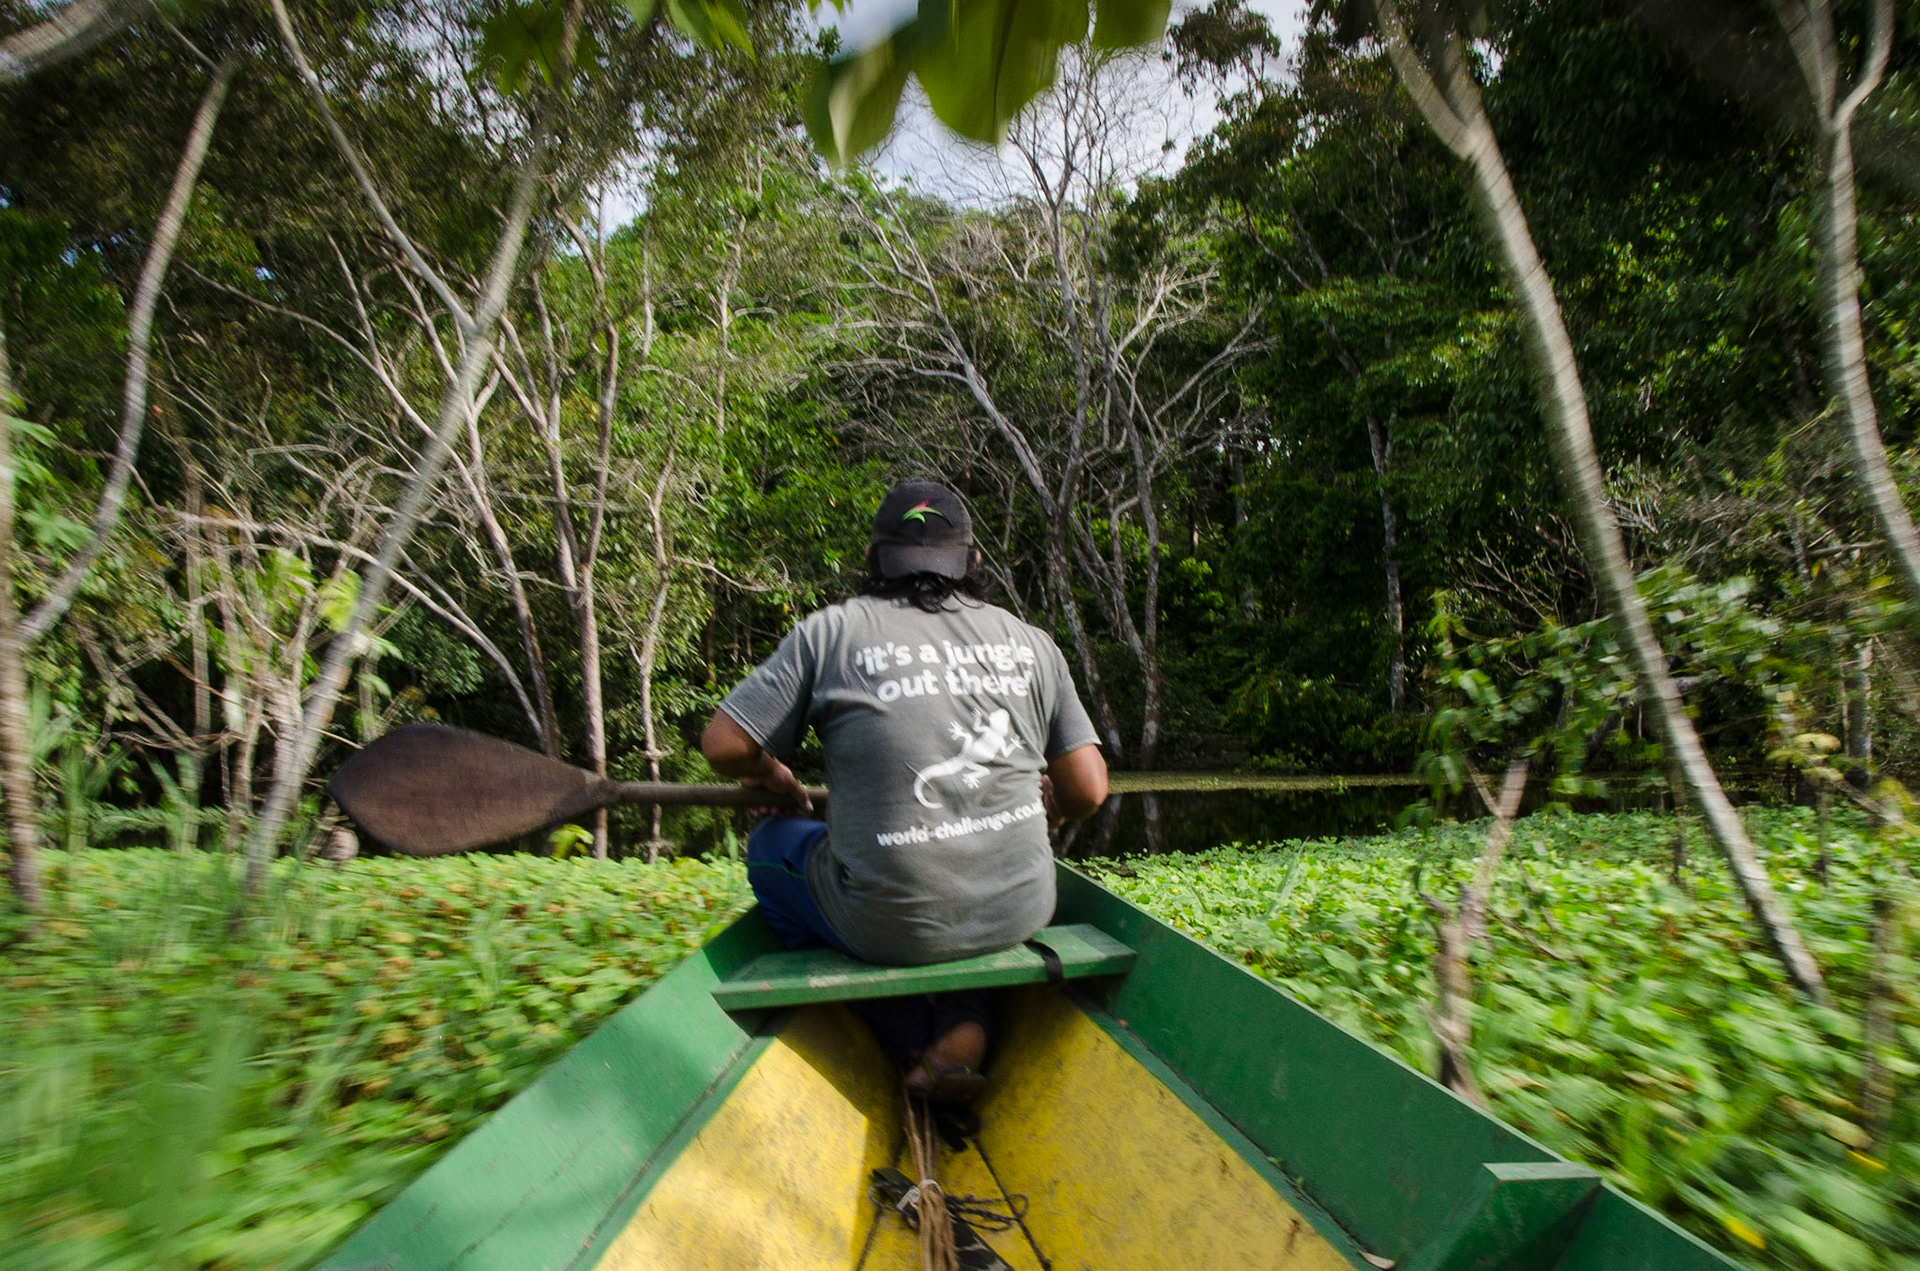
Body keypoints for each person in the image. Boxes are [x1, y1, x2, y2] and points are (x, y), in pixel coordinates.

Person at [700, 480, 1108, 1100]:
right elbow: (1088, 789)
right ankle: (968, 1017)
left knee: (771, 845)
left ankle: (908, 1032)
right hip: (1022, 910)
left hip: (888, 926)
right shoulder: (1031, 643)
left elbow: (725, 745)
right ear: (972, 562)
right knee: (955, 884)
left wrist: (769, 775)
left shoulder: (830, 633)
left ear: (873, 561)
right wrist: (1044, 805)